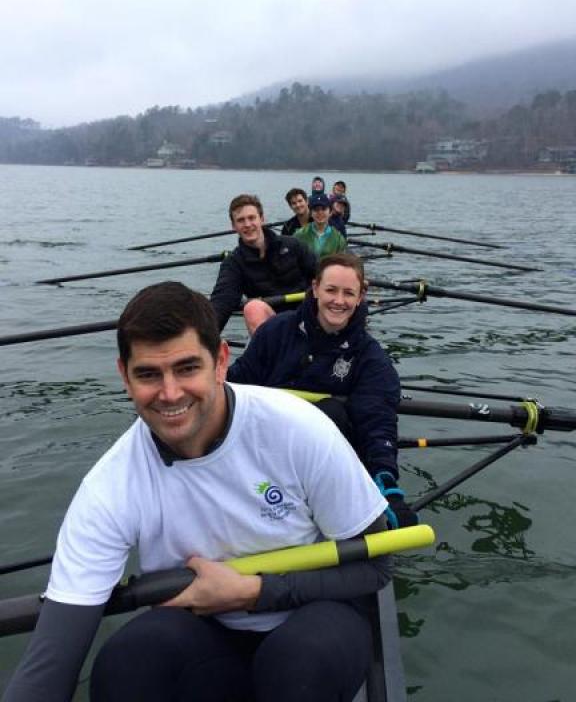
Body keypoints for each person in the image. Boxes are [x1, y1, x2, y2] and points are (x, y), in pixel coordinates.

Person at [4, 281, 391, 702]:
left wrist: (256, 592)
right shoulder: (109, 487)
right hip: (208, 637)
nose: (170, 394)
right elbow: (50, 663)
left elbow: (376, 568)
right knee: (126, 662)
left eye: (187, 368)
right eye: (148, 374)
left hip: (314, 618)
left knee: (296, 665)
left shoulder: (299, 429)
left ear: (221, 361)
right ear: (124, 376)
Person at [228, 254, 417, 530]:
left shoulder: (371, 358)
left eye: (348, 293)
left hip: (324, 468)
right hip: (266, 455)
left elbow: (377, 422)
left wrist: (388, 484)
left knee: (332, 412)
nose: (338, 301)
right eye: (331, 290)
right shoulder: (275, 331)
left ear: (360, 297)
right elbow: (235, 386)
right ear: (315, 288)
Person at [210, 194, 316, 335]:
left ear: (262, 219)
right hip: (273, 325)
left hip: (307, 314)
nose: (247, 224)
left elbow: (321, 274)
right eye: (241, 220)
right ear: (234, 226)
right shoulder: (233, 263)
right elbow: (221, 303)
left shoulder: (293, 245)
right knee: (253, 308)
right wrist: (202, 337)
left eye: (251, 218)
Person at [294, 193, 346, 258]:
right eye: (316, 210)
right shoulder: (299, 235)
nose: (320, 212)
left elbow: (341, 261)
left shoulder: (339, 239)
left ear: (330, 212)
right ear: (311, 213)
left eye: (324, 209)